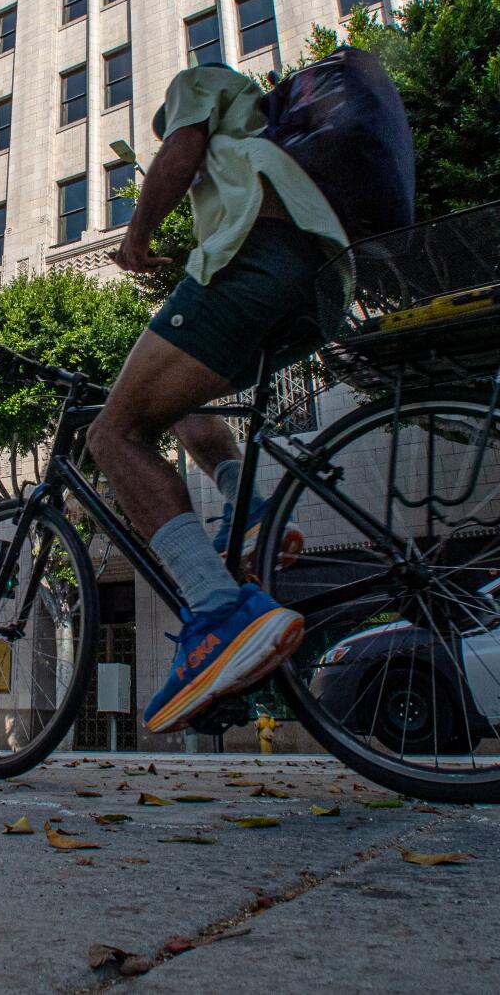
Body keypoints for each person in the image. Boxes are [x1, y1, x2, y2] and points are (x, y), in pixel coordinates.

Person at [89, 48, 414, 734]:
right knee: (177, 402)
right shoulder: (266, 137)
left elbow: (180, 151)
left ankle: (216, 608)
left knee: (112, 432)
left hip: (256, 257)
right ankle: (253, 506)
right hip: (321, 282)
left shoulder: (202, 84)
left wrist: (137, 238)